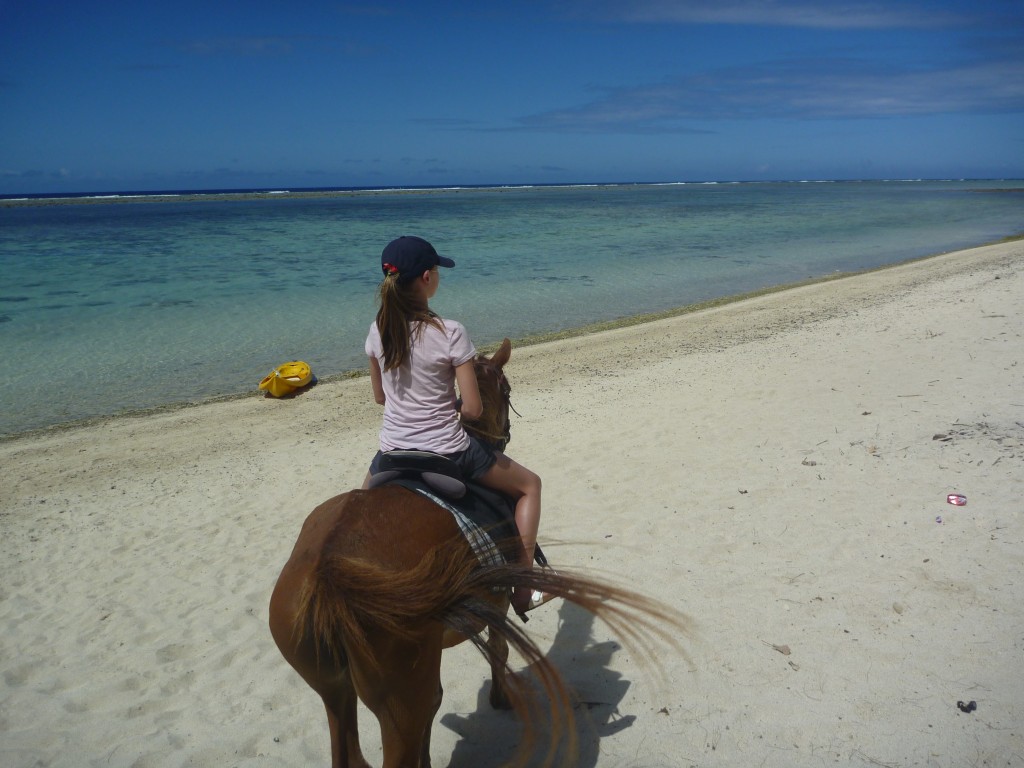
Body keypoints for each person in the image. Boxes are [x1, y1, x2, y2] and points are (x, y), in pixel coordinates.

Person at [362, 235, 543, 615]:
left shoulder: (377, 331)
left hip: (391, 452)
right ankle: (524, 590)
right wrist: (453, 406)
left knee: (361, 510)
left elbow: (380, 398)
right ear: (427, 278)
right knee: (529, 486)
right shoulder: (451, 331)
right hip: (447, 450)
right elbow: (474, 410)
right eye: (437, 272)